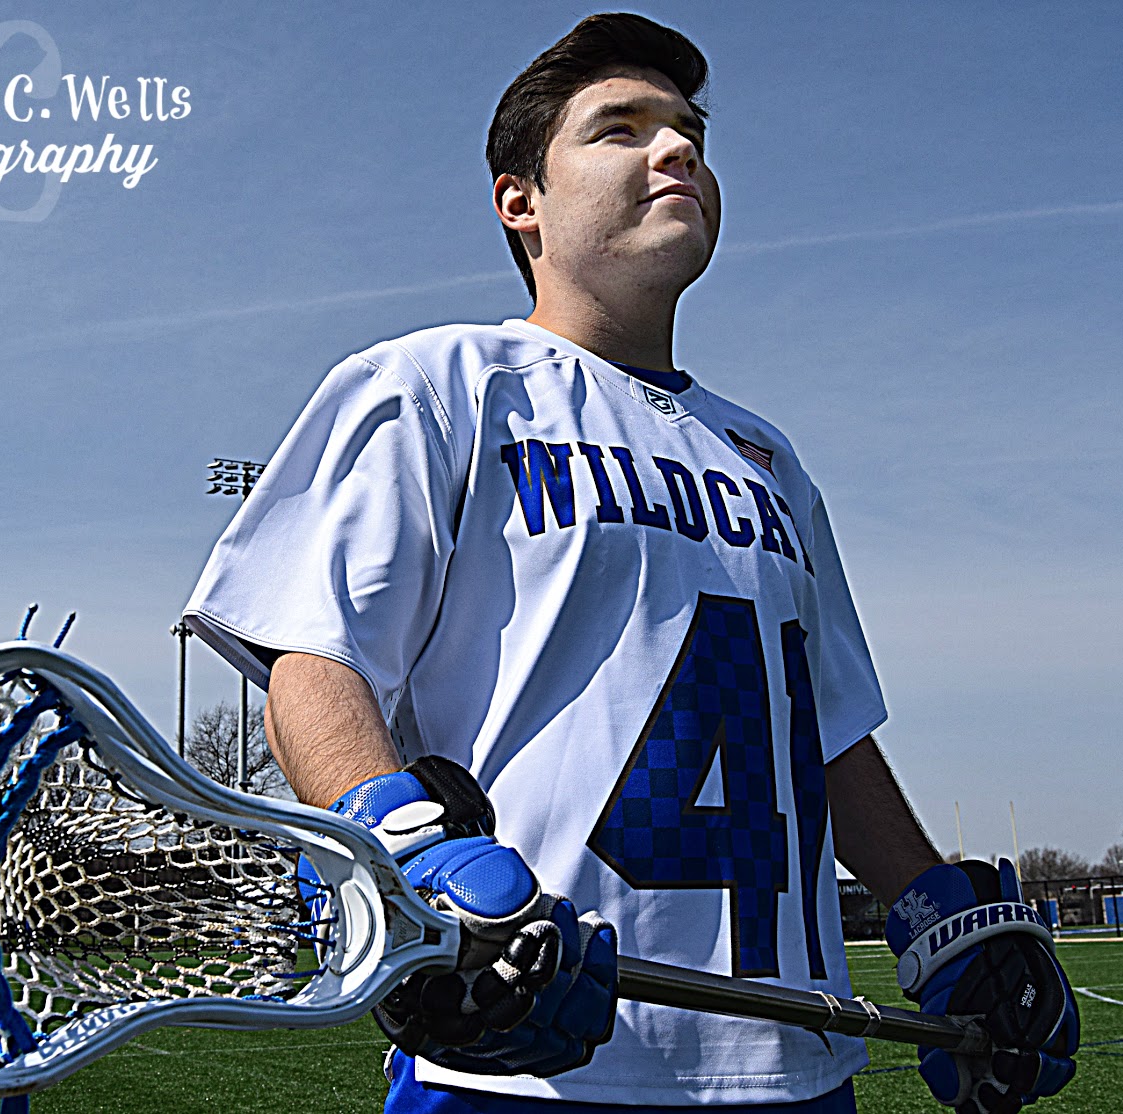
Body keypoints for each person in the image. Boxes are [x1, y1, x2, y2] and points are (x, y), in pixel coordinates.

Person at [184, 13, 1077, 1114]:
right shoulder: (437, 384)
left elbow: (828, 732)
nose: (678, 151)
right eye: (622, 129)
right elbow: (314, 664)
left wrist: (934, 907)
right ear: (521, 201)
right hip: (526, 1060)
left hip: (797, 1067)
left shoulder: (767, 458)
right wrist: (410, 859)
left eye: (690, 131)